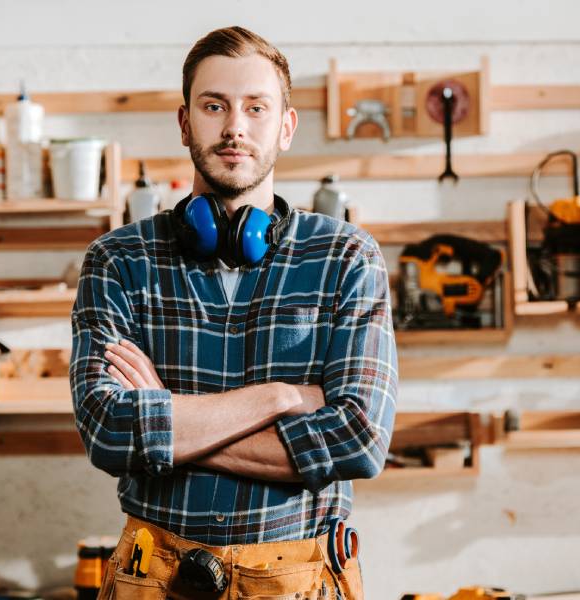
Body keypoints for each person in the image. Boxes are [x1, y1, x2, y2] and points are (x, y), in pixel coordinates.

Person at [70, 25, 397, 600]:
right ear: (184, 122)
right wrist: (284, 397)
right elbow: (110, 431)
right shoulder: (118, 260)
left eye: (256, 108)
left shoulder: (345, 257)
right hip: (153, 578)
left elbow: (358, 440)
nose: (234, 127)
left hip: (298, 580)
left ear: (286, 127)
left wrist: (166, 418)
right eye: (214, 105)